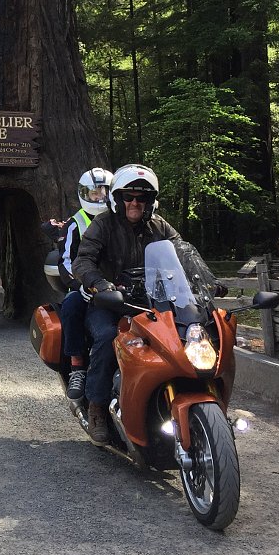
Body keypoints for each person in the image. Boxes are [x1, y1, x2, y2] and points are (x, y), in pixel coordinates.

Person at [72, 163, 180, 444]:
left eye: (141, 197)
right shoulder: (103, 224)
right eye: (128, 197)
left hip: (154, 302)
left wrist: (207, 281)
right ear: (118, 199)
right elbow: (83, 260)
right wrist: (100, 284)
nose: (134, 203)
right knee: (108, 337)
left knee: (183, 336)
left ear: (150, 201)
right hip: (110, 303)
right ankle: (97, 407)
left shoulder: (160, 226)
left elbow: (182, 253)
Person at [56, 167, 113, 401]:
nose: (99, 197)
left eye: (103, 192)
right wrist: (78, 284)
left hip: (114, 285)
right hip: (84, 286)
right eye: (94, 193)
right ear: (84, 194)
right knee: (71, 306)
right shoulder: (75, 223)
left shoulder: (118, 220)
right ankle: (77, 366)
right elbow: (66, 260)